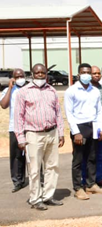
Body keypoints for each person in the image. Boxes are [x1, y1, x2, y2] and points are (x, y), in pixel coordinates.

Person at [14, 64, 65, 210]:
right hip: (33, 135)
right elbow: (19, 116)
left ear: (46, 74)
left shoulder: (52, 90)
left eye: (43, 72)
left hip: (52, 133)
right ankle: (35, 198)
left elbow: (58, 113)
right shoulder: (23, 92)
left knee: (52, 166)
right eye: (37, 73)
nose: (40, 75)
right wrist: (20, 138)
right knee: (35, 169)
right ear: (32, 74)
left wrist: (61, 133)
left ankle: (48, 196)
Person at [65, 63, 102, 200]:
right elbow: (69, 113)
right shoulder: (71, 91)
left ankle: (91, 184)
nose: (87, 75)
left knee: (92, 157)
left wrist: (101, 127)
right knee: (78, 159)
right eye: (84, 72)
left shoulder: (94, 90)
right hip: (79, 127)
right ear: (78, 74)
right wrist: (76, 132)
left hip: (93, 126)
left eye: (89, 72)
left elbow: (99, 110)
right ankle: (78, 187)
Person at [1, 68, 28, 192]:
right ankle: (18, 181)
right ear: (12, 78)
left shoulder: (29, 89)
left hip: (29, 127)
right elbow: (4, 105)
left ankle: (38, 179)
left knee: (31, 154)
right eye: (17, 77)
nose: (19, 78)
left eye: (21, 76)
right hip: (14, 127)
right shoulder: (8, 91)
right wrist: (10, 88)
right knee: (16, 156)